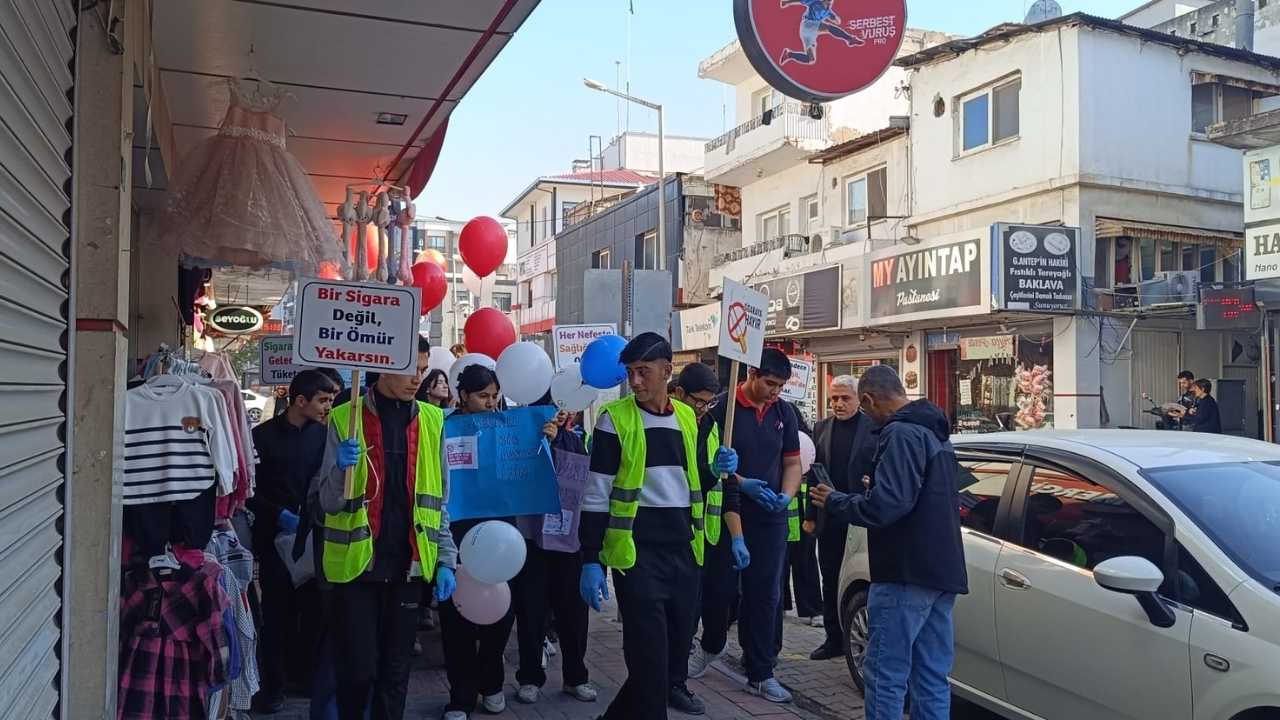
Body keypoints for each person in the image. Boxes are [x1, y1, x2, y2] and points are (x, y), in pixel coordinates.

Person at [579, 333, 736, 720]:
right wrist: (590, 558)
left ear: (667, 371)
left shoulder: (688, 417)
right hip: (637, 555)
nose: (635, 382)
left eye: (643, 372)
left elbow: (694, 478)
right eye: (630, 373)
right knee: (649, 662)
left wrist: (715, 470)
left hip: (685, 550)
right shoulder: (613, 420)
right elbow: (596, 495)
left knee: (667, 662)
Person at [809, 365, 967, 720]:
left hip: (904, 572)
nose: (868, 418)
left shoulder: (901, 434)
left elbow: (887, 506)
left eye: (865, 409)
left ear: (867, 399)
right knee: (930, 675)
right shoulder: (936, 433)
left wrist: (836, 500)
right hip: (941, 570)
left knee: (885, 675)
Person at [312, 337, 458, 720]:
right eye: (411, 368)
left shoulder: (432, 420)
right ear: (383, 365)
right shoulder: (346, 416)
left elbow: (439, 499)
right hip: (357, 568)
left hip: (408, 566)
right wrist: (341, 469)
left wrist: (446, 559)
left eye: (424, 370)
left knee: (396, 673)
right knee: (358, 671)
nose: (418, 379)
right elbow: (326, 502)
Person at [438, 365, 561, 719]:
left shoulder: (512, 425)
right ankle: (460, 696)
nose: (491, 403)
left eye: (495, 396)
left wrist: (545, 439)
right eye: (482, 396)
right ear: (462, 395)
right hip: (456, 530)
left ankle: (491, 683)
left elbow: (532, 465)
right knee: (457, 617)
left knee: (499, 612)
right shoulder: (443, 426)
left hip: (501, 534)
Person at [707, 348, 801, 703]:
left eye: (780, 386)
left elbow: (792, 463)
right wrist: (741, 481)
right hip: (728, 511)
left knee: (765, 595)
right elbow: (710, 461)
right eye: (770, 383)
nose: (775, 391)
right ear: (751, 373)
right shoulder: (721, 409)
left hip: (769, 517)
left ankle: (760, 671)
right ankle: (711, 643)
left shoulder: (784, 413)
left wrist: (786, 496)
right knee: (720, 591)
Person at [249, 370, 338, 714]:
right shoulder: (261, 437)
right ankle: (272, 686)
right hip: (273, 540)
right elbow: (249, 490)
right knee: (276, 615)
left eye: (331, 400)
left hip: (314, 537)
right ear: (300, 401)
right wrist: (279, 515)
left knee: (314, 613)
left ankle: (304, 677)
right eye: (323, 400)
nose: (328, 407)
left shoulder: (326, 437)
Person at [511, 394, 597, 707]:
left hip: (569, 540)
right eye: (552, 408)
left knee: (573, 614)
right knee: (531, 612)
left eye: (564, 407)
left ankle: (576, 677)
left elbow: (581, 468)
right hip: (532, 541)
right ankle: (530, 678)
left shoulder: (577, 439)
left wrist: (558, 438)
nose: (559, 413)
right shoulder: (519, 435)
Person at [672, 362, 747, 715]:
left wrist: (737, 537)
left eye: (709, 402)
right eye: (698, 402)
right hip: (680, 535)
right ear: (678, 394)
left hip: (713, 537)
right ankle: (675, 679)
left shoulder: (716, 426)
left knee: (722, 604)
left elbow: (726, 487)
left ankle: (711, 646)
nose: (703, 409)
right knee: (683, 614)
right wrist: (709, 472)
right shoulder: (670, 424)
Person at [808, 375, 878, 660]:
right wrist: (810, 515)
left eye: (844, 398)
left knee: (859, 579)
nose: (837, 403)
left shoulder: (874, 428)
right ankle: (833, 638)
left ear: (859, 399)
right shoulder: (821, 428)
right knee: (831, 577)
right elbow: (812, 474)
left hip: (860, 517)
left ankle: (859, 638)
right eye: (834, 398)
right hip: (830, 518)